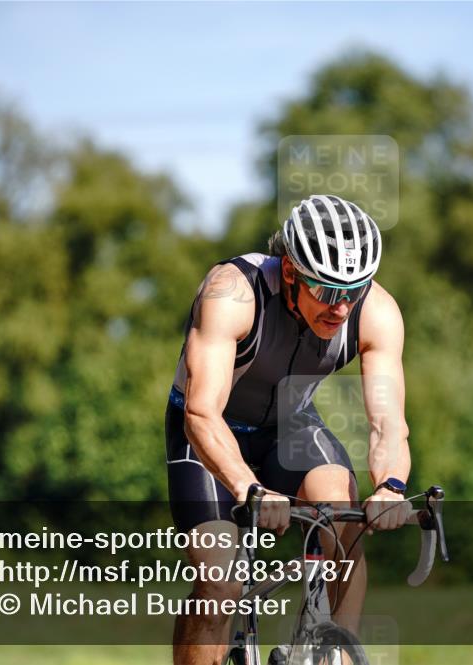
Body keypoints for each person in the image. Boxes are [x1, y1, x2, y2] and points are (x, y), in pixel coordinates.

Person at [165, 194, 412, 664]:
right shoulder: (232, 293)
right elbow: (200, 414)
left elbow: (387, 425)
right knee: (220, 582)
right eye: (327, 290)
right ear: (292, 272)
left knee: (342, 522)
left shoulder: (376, 311)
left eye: (353, 290)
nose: (341, 308)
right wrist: (248, 487)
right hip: (208, 432)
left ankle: (334, 652)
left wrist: (391, 488)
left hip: (289, 423)